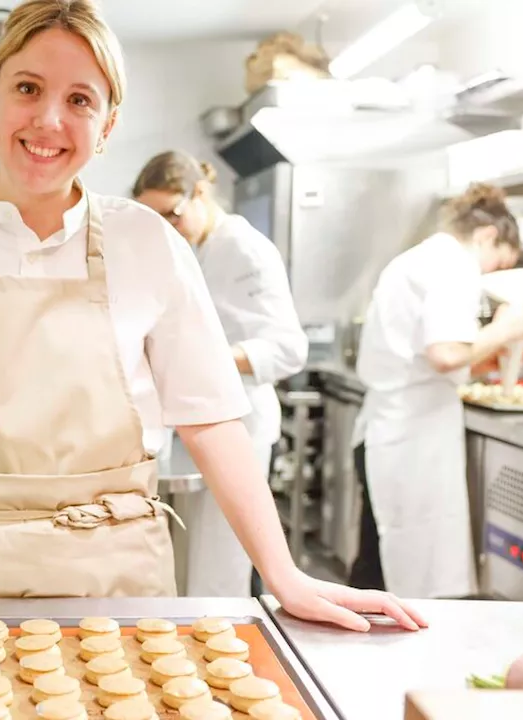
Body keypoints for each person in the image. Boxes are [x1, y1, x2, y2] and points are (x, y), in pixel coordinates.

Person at [0, 0, 426, 644]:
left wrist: (285, 575)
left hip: (115, 583)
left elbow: (212, 423)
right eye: (27, 88)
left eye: (79, 99)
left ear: (108, 123)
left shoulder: (148, 243)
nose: (49, 120)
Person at [133, 151, 308, 598]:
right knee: (191, 562)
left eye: (171, 214)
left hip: (241, 426)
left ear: (200, 193)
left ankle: (224, 659)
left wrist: (200, 356)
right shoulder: (195, 249)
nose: (166, 227)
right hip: (195, 424)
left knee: (219, 567)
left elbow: (288, 349)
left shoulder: (245, 248)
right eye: (152, 218)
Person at [350, 183, 523, 598]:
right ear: (488, 237)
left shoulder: (420, 259)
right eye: (498, 263)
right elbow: (446, 353)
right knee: (408, 573)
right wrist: (506, 329)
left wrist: (486, 355)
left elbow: (433, 354)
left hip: (391, 432)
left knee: (379, 562)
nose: (492, 274)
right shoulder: (453, 265)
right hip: (412, 442)